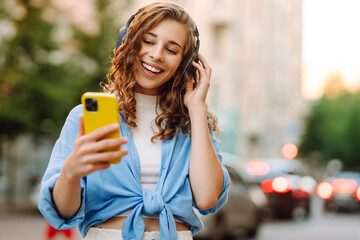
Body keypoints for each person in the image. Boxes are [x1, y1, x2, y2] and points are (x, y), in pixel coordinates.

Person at [38, 2, 230, 240]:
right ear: (127, 43)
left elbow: (207, 198)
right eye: (148, 41)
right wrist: (71, 173)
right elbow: (63, 213)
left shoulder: (193, 123)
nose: (157, 55)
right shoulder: (84, 116)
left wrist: (197, 108)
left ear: (185, 61)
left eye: (171, 50)